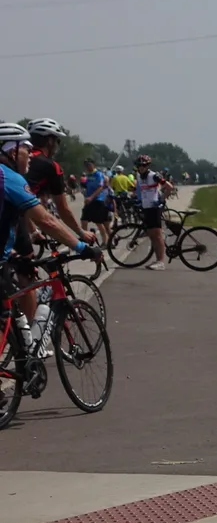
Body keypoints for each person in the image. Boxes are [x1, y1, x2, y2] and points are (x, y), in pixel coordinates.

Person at [1, 125, 100, 353]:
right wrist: (81, 246)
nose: (30, 155)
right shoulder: (10, 177)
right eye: (27, 149)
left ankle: (25, 345)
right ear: (14, 152)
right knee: (5, 316)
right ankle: (31, 347)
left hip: (10, 246)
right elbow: (49, 219)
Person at [23, 120, 86, 242]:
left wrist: (33, 231)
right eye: (58, 140)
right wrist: (81, 233)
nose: (58, 145)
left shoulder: (18, 157)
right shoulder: (50, 165)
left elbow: (20, 202)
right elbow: (62, 209)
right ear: (50, 141)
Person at [131, 154, 173, 269]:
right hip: (147, 208)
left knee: (157, 235)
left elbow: (169, 187)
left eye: (144, 165)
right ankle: (157, 260)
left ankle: (160, 262)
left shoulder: (154, 176)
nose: (141, 167)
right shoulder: (139, 176)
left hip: (154, 208)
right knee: (152, 236)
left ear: (148, 165)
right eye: (139, 166)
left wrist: (161, 200)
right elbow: (141, 191)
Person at [80, 157, 114, 246]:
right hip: (89, 201)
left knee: (98, 222)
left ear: (93, 164)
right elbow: (87, 188)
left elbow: (100, 187)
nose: (87, 167)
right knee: (83, 220)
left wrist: (91, 197)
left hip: (98, 200)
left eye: (89, 165)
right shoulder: (88, 175)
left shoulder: (98, 174)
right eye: (86, 165)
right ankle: (85, 239)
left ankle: (105, 241)